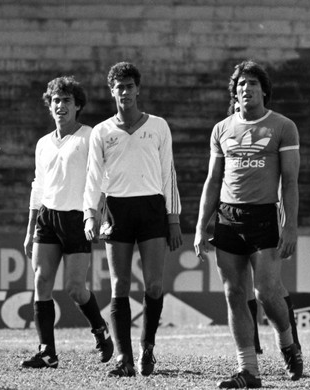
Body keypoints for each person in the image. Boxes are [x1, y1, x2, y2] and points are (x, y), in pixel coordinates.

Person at [194, 60, 303, 389]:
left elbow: (291, 181)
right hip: (228, 218)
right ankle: (248, 371)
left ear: (264, 90)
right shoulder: (221, 129)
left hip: (264, 217)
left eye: (253, 83)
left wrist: (291, 226)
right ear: (235, 92)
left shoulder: (283, 127)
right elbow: (213, 180)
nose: (246, 89)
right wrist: (202, 226)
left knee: (267, 293)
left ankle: (288, 342)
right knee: (234, 293)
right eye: (241, 84)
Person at [83, 62, 182, 378]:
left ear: (138, 89)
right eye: (118, 87)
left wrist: (173, 219)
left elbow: (168, 173)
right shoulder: (101, 131)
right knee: (119, 284)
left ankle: (147, 349)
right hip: (117, 210)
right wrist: (90, 215)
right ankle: (123, 358)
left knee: (153, 284)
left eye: (129, 86)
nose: (124, 92)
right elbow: (93, 178)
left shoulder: (158, 126)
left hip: (152, 209)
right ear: (111, 91)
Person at [21, 76, 113, 369]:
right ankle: (47, 351)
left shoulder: (89, 137)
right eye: (56, 101)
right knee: (41, 282)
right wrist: (29, 228)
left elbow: (103, 179)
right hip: (48, 218)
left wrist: (97, 214)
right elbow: (38, 186)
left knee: (75, 288)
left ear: (78, 106)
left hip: (77, 218)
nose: (60, 106)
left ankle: (100, 330)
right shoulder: (43, 143)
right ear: (50, 106)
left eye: (66, 101)